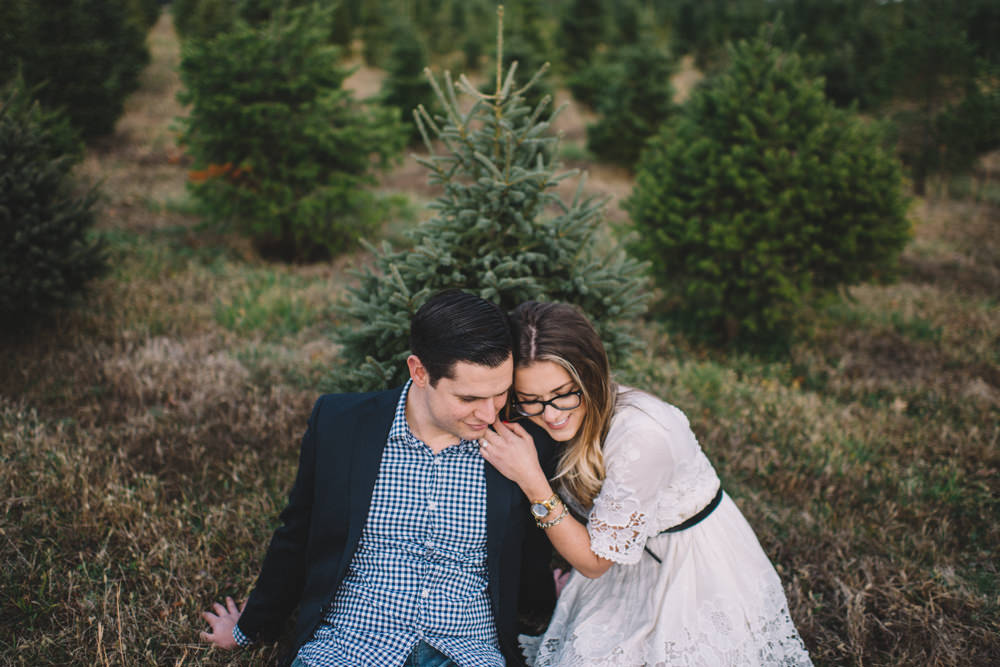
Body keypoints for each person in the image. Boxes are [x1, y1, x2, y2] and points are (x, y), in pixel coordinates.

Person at [201, 290, 557, 667]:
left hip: (466, 651)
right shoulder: (342, 423)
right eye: (468, 398)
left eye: (500, 393)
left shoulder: (520, 445)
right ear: (419, 372)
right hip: (351, 645)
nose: (489, 414)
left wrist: (550, 598)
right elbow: (296, 532)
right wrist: (248, 628)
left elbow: (530, 549)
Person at [480, 301, 813, 666]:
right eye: (531, 401)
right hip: (630, 560)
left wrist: (533, 482)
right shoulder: (571, 414)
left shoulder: (641, 436)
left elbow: (594, 563)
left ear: (592, 374)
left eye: (564, 394)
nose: (552, 415)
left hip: (692, 572)